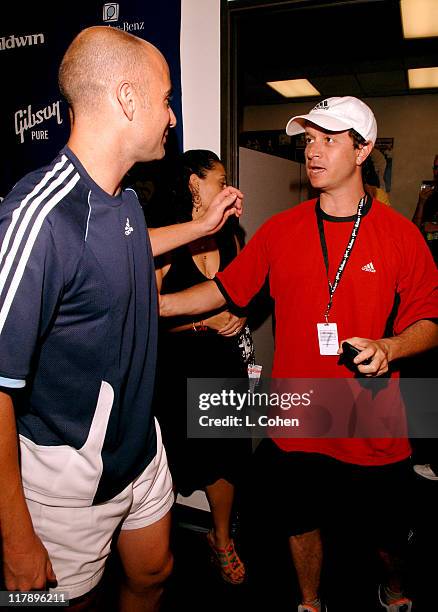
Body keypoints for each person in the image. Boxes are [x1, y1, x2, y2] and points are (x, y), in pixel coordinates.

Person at [160, 96, 438, 612]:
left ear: (363, 150)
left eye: (329, 140)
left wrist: (391, 346)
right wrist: (158, 303)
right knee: (299, 519)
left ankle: (395, 588)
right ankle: (310, 601)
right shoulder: (281, 230)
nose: (313, 150)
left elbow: (430, 322)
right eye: (309, 139)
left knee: (388, 533)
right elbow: (224, 289)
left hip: (371, 415)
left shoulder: (400, 236)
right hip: (297, 412)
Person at [0, 26, 243, 611]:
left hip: (140, 450)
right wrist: (14, 535)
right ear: (128, 99)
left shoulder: (124, 199)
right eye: (165, 99)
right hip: (71, 483)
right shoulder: (37, 219)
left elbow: (126, 245)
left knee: (155, 572)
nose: (172, 117)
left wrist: (200, 229)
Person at [152, 149, 253, 585]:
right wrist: (202, 319)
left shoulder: (231, 233)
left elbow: (247, 288)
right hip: (177, 365)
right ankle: (153, 547)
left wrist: (242, 315)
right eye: (221, 179)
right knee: (171, 459)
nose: (230, 188)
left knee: (226, 458)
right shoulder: (166, 235)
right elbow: (145, 309)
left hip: (223, 363)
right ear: (195, 183)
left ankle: (221, 540)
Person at [412, 154, 438, 264]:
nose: (437, 172)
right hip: (429, 256)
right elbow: (415, 228)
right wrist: (421, 202)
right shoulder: (430, 193)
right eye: (436, 168)